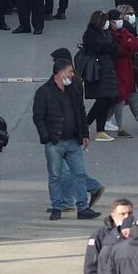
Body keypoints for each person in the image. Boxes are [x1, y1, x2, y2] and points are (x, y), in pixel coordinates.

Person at [34, 57, 95, 221]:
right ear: (61, 74)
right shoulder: (44, 92)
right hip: (55, 142)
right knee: (55, 176)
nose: (73, 74)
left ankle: (83, 208)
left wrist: (84, 134)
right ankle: (56, 207)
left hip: (73, 140)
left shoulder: (72, 90)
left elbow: (80, 112)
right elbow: (38, 117)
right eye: (70, 71)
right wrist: (46, 138)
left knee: (79, 174)